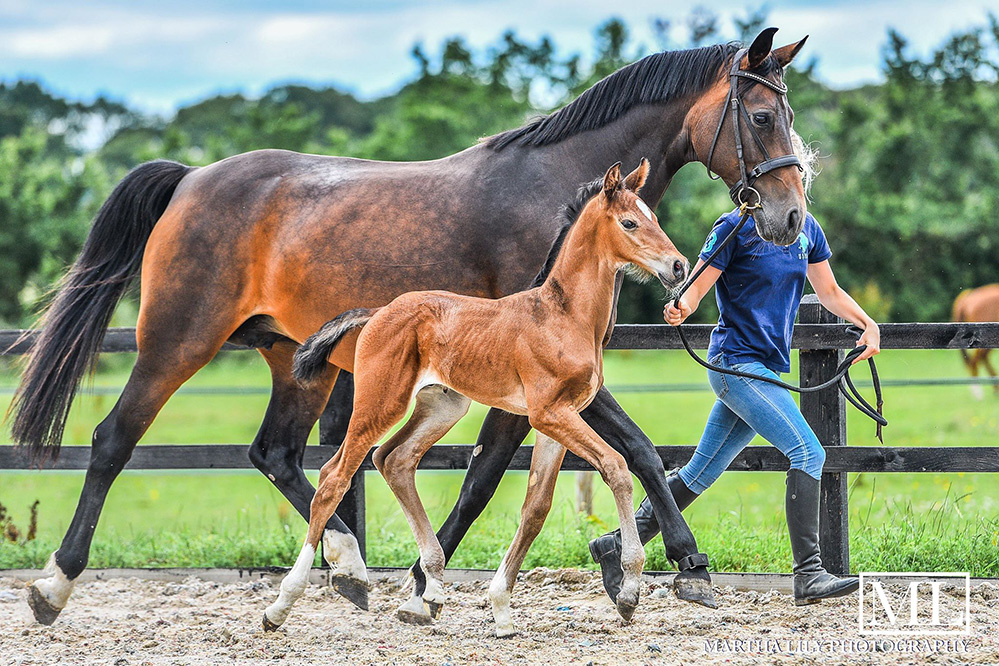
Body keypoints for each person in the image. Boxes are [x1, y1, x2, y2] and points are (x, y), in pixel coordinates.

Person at [588, 205, 881, 606]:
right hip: (734, 364)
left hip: (764, 370)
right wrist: (681, 307)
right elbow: (695, 288)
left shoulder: (807, 229)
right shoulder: (735, 227)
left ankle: (615, 543)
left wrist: (868, 323)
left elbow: (828, 292)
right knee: (808, 452)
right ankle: (809, 573)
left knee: (699, 472)